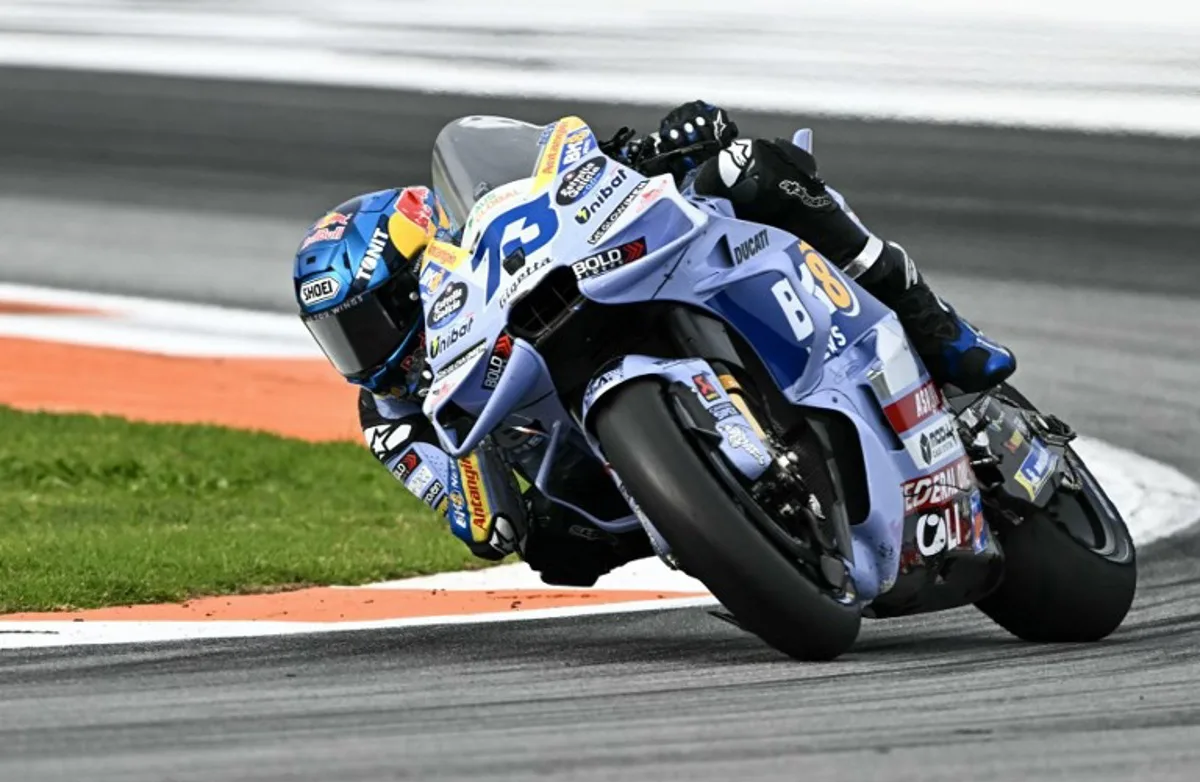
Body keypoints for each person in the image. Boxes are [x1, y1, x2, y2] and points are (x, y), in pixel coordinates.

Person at [292, 101, 1016, 586]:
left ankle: (939, 329)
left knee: (747, 171)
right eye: (339, 338)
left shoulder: (484, 252)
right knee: (556, 552)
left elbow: (568, 176)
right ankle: (737, 528)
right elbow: (485, 526)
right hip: (584, 476)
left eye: (370, 322)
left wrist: (653, 148)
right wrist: (463, 443)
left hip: (596, 290)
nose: (362, 350)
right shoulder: (389, 416)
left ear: (418, 269)